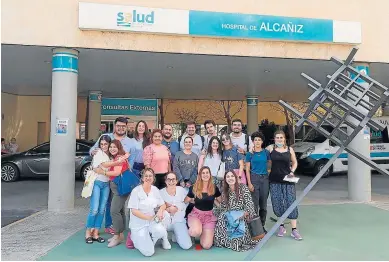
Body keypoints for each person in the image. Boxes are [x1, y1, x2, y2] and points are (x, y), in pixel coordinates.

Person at [89, 117, 134, 236]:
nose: (121, 128)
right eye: (118, 126)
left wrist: (127, 170)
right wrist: (93, 152)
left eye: (123, 126)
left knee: (118, 204)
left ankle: (120, 229)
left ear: (126, 127)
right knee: (109, 203)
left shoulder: (130, 142)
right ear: (115, 126)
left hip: (120, 177)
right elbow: (93, 149)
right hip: (106, 178)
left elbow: (132, 159)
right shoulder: (106, 137)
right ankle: (109, 226)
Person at [85, 135, 127, 244]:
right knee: (94, 209)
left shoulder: (111, 155)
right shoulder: (99, 153)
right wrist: (117, 162)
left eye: (105, 144)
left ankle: (96, 232)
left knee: (102, 209)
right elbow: (104, 164)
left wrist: (119, 159)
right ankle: (88, 232)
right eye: (101, 144)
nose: (103, 146)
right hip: (97, 183)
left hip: (106, 184)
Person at [93, 140, 131, 247]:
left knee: (114, 211)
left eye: (115, 147)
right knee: (119, 210)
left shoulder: (119, 157)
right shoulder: (117, 157)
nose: (112, 149)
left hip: (120, 188)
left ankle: (117, 235)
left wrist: (102, 172)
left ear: (119, 148)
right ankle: (120, 235)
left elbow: (117, 172)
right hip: (118, 188)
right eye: (111, 147)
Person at [266, 130, 302, 240]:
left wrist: (292, 171)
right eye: (277, 138)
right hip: (274, 180)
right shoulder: (270, 148)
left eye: (281, 138)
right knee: (277, 203)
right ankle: (281, 226)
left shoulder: (289, 149)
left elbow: (295, 162)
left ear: (284, 139)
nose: (279, 139)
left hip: (288, 180)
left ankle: (294, 230)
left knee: (290, 202)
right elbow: (259, 153)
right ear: (274, 139)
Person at [128, 168, 171, 257]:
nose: (148, 178)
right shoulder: (136, 191)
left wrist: (160, 210)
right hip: (139, 224)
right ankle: (134, 237)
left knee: (163, 222)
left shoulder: (155, 189)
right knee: (149, 252)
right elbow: (134, 211)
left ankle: (158, 238)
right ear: (142, 178)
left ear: (153, 178)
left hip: (152, 221)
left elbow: (163, 205)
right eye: (146, 176)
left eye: (150, 176)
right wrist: (149, 218)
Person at [214, 171, 259, 251]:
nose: (230, 178)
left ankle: (238, 240)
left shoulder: (243, 187)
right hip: (232, 216)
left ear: (235, 177)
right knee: (222, 217)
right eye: (228, 177)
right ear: (225, 180)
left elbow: (250, 204)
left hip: (244, 215)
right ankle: (225, 240)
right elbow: (224, 207)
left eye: (232, 176)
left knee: (236, 222)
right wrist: (214, 200)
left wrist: (243, 214)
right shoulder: (225, 191)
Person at [185, 166, 222, 250]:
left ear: (210, 175)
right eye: (203, 173)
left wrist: (215, 200)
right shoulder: (194, 187)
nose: (205, 175)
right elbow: (186, 201)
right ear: (200, 175)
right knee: (195, 232)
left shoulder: (214, 187)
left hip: (209, 216)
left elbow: (221, 201)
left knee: (206, 246)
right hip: (196, 215)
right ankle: (192, 230)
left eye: (207, 173)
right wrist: (192, 200)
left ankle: (202, 231)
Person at [245, 131, 271, 230]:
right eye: (255, 140)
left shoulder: (266, 152)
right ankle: (255, 228)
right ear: (253, 141)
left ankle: (262, 226)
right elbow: (247, 169)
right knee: (254, 205)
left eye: (259, 140)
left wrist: (268, 172)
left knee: (263, 205)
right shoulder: (249, 154)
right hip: (254, 178)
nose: (257, 142)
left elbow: (269, 163)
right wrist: (249, 183)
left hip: (264, 179)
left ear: (262, 141)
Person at [160, 172, 192, 250]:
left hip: (179, 221)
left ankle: (176, 234)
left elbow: (188, 202)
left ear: (177, 181)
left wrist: (177, 208)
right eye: (169, 179)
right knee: (157, 232)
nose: (171, 182)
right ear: (165, 181)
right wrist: (168, 209)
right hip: (165, 222)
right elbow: (156, 208)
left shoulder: (182, 190)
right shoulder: (160, 192)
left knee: (186, 246)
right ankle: (163, 238)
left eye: (173, 179)